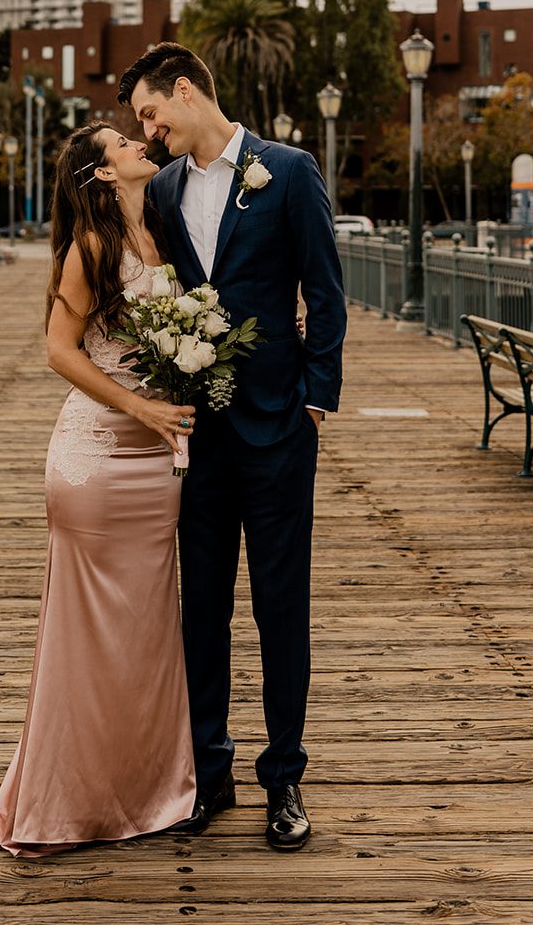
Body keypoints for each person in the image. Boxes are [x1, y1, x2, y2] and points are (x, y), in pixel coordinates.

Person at [118, 44, 347, 852]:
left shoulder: (286, 170)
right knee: (202, 609)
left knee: (283, 608)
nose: (147, 131)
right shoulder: (167, 189)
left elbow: (323, 289)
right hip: (199, 434)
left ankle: (283, 775)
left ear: (186, 91)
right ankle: (207, 770)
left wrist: (316, 400)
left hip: (281, 429)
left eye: (152, 113)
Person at [0, 121, 196, 856]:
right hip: (98, 460)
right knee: (88, 635)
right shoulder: (92, 248)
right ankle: (68, 800)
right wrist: (138, 407)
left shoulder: (162, 233)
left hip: (157, 458)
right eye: (122, 145)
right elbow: (56, 350)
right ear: (103, 175)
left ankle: (142, 791)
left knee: (144, 632)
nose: (139, 143)